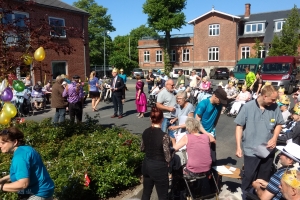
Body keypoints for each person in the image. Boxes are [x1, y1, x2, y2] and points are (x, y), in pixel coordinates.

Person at [235, 85, 285, 200]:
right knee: (248, 176)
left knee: (263, 178)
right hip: (251, 150)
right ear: (264, 96)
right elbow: (239, 127)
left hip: (267, 150)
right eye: (272, 99)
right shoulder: (248, 107)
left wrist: (275, 137)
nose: (274, 101)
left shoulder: (275, 107)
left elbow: (279, 124)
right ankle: (244, 196)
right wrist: (238, 147)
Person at [0, 127, 54, 199]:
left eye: (3, 143)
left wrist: (1, 187)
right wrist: (3, 179)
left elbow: (23, 184)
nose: (0, 146)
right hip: (45, 190)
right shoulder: (26, 149)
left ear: (15, 142)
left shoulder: (20, 157)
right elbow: (23, 173)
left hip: (38, 193)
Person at [141, 107, 172, 200]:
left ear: (150, 118)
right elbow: (167, 157)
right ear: (162, 119)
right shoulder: (164, 136)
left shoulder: (145, 131)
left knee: (146, 193)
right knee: (163, 196)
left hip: (146, 165)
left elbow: (142, 148)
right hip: (159, 167)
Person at [194, 88, 227, 167]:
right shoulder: (203, 104)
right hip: (200, 132)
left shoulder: (219, 105)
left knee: (212, 158)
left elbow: (217, 116)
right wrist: (207, 134)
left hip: (211, 131)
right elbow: (196, 122)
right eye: (220, 100)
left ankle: (211, 176)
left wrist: (213, 129)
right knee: (200, 157)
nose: (220, 102)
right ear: (215, 96)